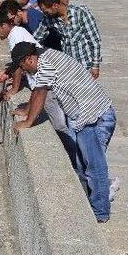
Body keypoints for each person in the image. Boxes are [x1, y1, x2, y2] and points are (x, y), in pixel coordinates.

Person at [9, 42, 116, 222]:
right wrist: (27, 109)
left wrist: (28, 122)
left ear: (29, 59)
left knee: (93, 166)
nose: (23, 70)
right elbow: (37, 91)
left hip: (95, 116)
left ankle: (100, 212)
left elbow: (41, 93)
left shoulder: (45, 65)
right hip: (85, 117)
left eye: (22, 66)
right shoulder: (46, 57)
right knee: (81, 163)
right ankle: (90, 205)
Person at [0, 11, 72, 152]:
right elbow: (18, 66)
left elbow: (20, 67)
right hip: (42, 83)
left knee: (60, 126)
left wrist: (13, 90)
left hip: (48, 85)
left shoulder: (15, 37)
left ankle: (73, 158)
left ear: (5, 25)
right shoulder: (17, 32)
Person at [34, 0, 101, 78]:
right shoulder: (48, 18)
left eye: (46, 11)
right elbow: (37, 37)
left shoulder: (80, 12)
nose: (45, 14)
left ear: (55, 5)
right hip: (69, 64)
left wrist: (95, 65)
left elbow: (94, 40)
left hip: (86, 63)